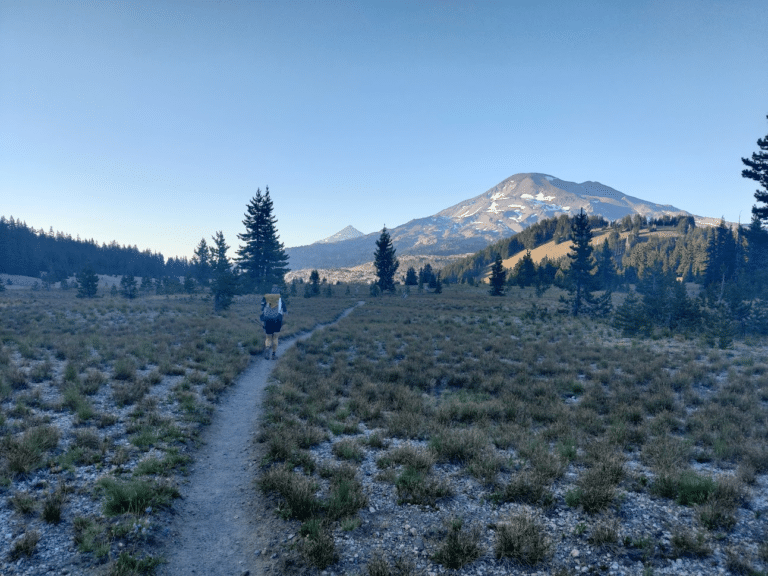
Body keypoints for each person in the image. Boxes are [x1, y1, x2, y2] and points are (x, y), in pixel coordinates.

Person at [260, 286, 286, 359]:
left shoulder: (265, 297)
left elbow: (262, 309)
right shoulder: (280, 299)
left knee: (268, 337)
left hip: (267, 319)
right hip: (277, 320)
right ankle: (273, 354)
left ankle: (267, 348)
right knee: (275, 337)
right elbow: (283, 312)